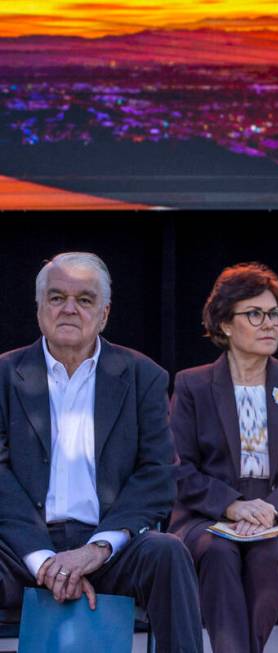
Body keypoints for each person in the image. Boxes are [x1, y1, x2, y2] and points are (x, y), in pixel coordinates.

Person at [0, 252, 202, 653]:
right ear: (40, 310)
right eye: (56, 298)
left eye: (85, 299)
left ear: (104, 313)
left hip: (108, 546)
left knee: (169, 554)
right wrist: (44, 561)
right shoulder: (4, 375)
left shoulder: (144, 376)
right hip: (21, 546)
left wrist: (96, 550)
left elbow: (157, 473)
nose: (69, 309)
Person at [168, 263, 278, 653]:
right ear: (224, 324)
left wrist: (268, 511)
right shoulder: (192, 384)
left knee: (266, 555)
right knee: (218, 553)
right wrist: (233, 507)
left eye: (274, 314)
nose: (269, 324)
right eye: (254, 314)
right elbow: (177, 468)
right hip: (207, 514)